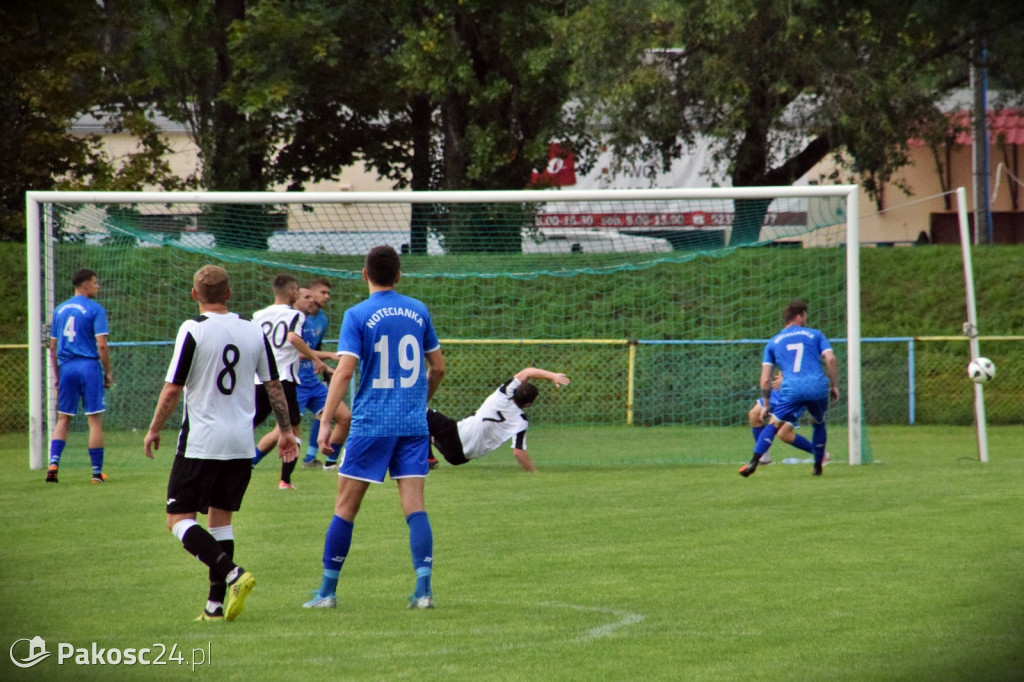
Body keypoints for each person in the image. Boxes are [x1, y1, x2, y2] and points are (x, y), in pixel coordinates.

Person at [143, 264, 298, 622]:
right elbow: (273, 385)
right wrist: (286, 430)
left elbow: (173, 387)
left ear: (195, 294)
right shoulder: (252, 330)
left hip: (202, 441)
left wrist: (154, 428)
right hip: (241, 443)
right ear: (229, 294)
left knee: (177, 519)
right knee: (220, 521)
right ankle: (214, 607)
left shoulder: (192, 329)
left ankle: (232, 573)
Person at [304, 245, 445, 610]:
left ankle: (327, 592)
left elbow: (346, 371)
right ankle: (424, 590)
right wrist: (418, 401)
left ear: (364, 274)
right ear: (399, 276)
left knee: (345, 506)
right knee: (415, 506)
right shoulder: (418, 311)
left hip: (372, 423)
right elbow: (439, 367)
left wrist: (325, 422)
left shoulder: (357, 314)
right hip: (412, 425)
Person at [740, 299, 839, 478]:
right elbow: (830, 359)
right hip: (815, 386)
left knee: (776, 426)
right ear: (800, 316)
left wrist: (768, 404)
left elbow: (765, 379)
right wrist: (834, 385)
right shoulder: (815, 334)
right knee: (817, 422)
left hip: (791, 389)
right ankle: (817, 465)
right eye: (805, 316)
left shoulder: (774, 341)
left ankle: (754, 460)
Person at [251, 275, 329, 489]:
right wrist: (316, 359)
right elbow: (293, 338)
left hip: (259, 378)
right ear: (290, 291)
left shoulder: (258, 315)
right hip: (283, 379)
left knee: (249, 423)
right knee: (292, 430)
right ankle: (285, 480)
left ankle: (226, 458)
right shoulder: (295, 315)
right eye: (296, 290)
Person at [426, 367, 569, 473]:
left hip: (456, 435)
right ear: (528, 404)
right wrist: (535, 473)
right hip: (459, 458)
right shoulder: (521, 421)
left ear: (516, 390)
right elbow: (518, 452)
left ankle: (428, 457)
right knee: (433, 429)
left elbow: (527, 372)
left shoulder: (503, 393)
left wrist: (552, 376)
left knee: (421, 412)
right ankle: (429, 454)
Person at [46, 268, 114, 484]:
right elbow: (101, 345)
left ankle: (53, 464)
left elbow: (53, 348)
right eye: (95, 282)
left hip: (66, 367)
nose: (98, 286)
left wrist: (57, 376)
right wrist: (108, 371)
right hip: (88, 366)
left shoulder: (59, 310)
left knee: (63, 418)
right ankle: (96, 474)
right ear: (85, 285)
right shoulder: (95, 309)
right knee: (94, 421)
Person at [748, 372, 828, 466]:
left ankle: (820, 454)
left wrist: (788, 381)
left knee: (784, 434)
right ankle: (764, 457)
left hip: (795, 392)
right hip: (779, 391)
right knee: (754, 414)